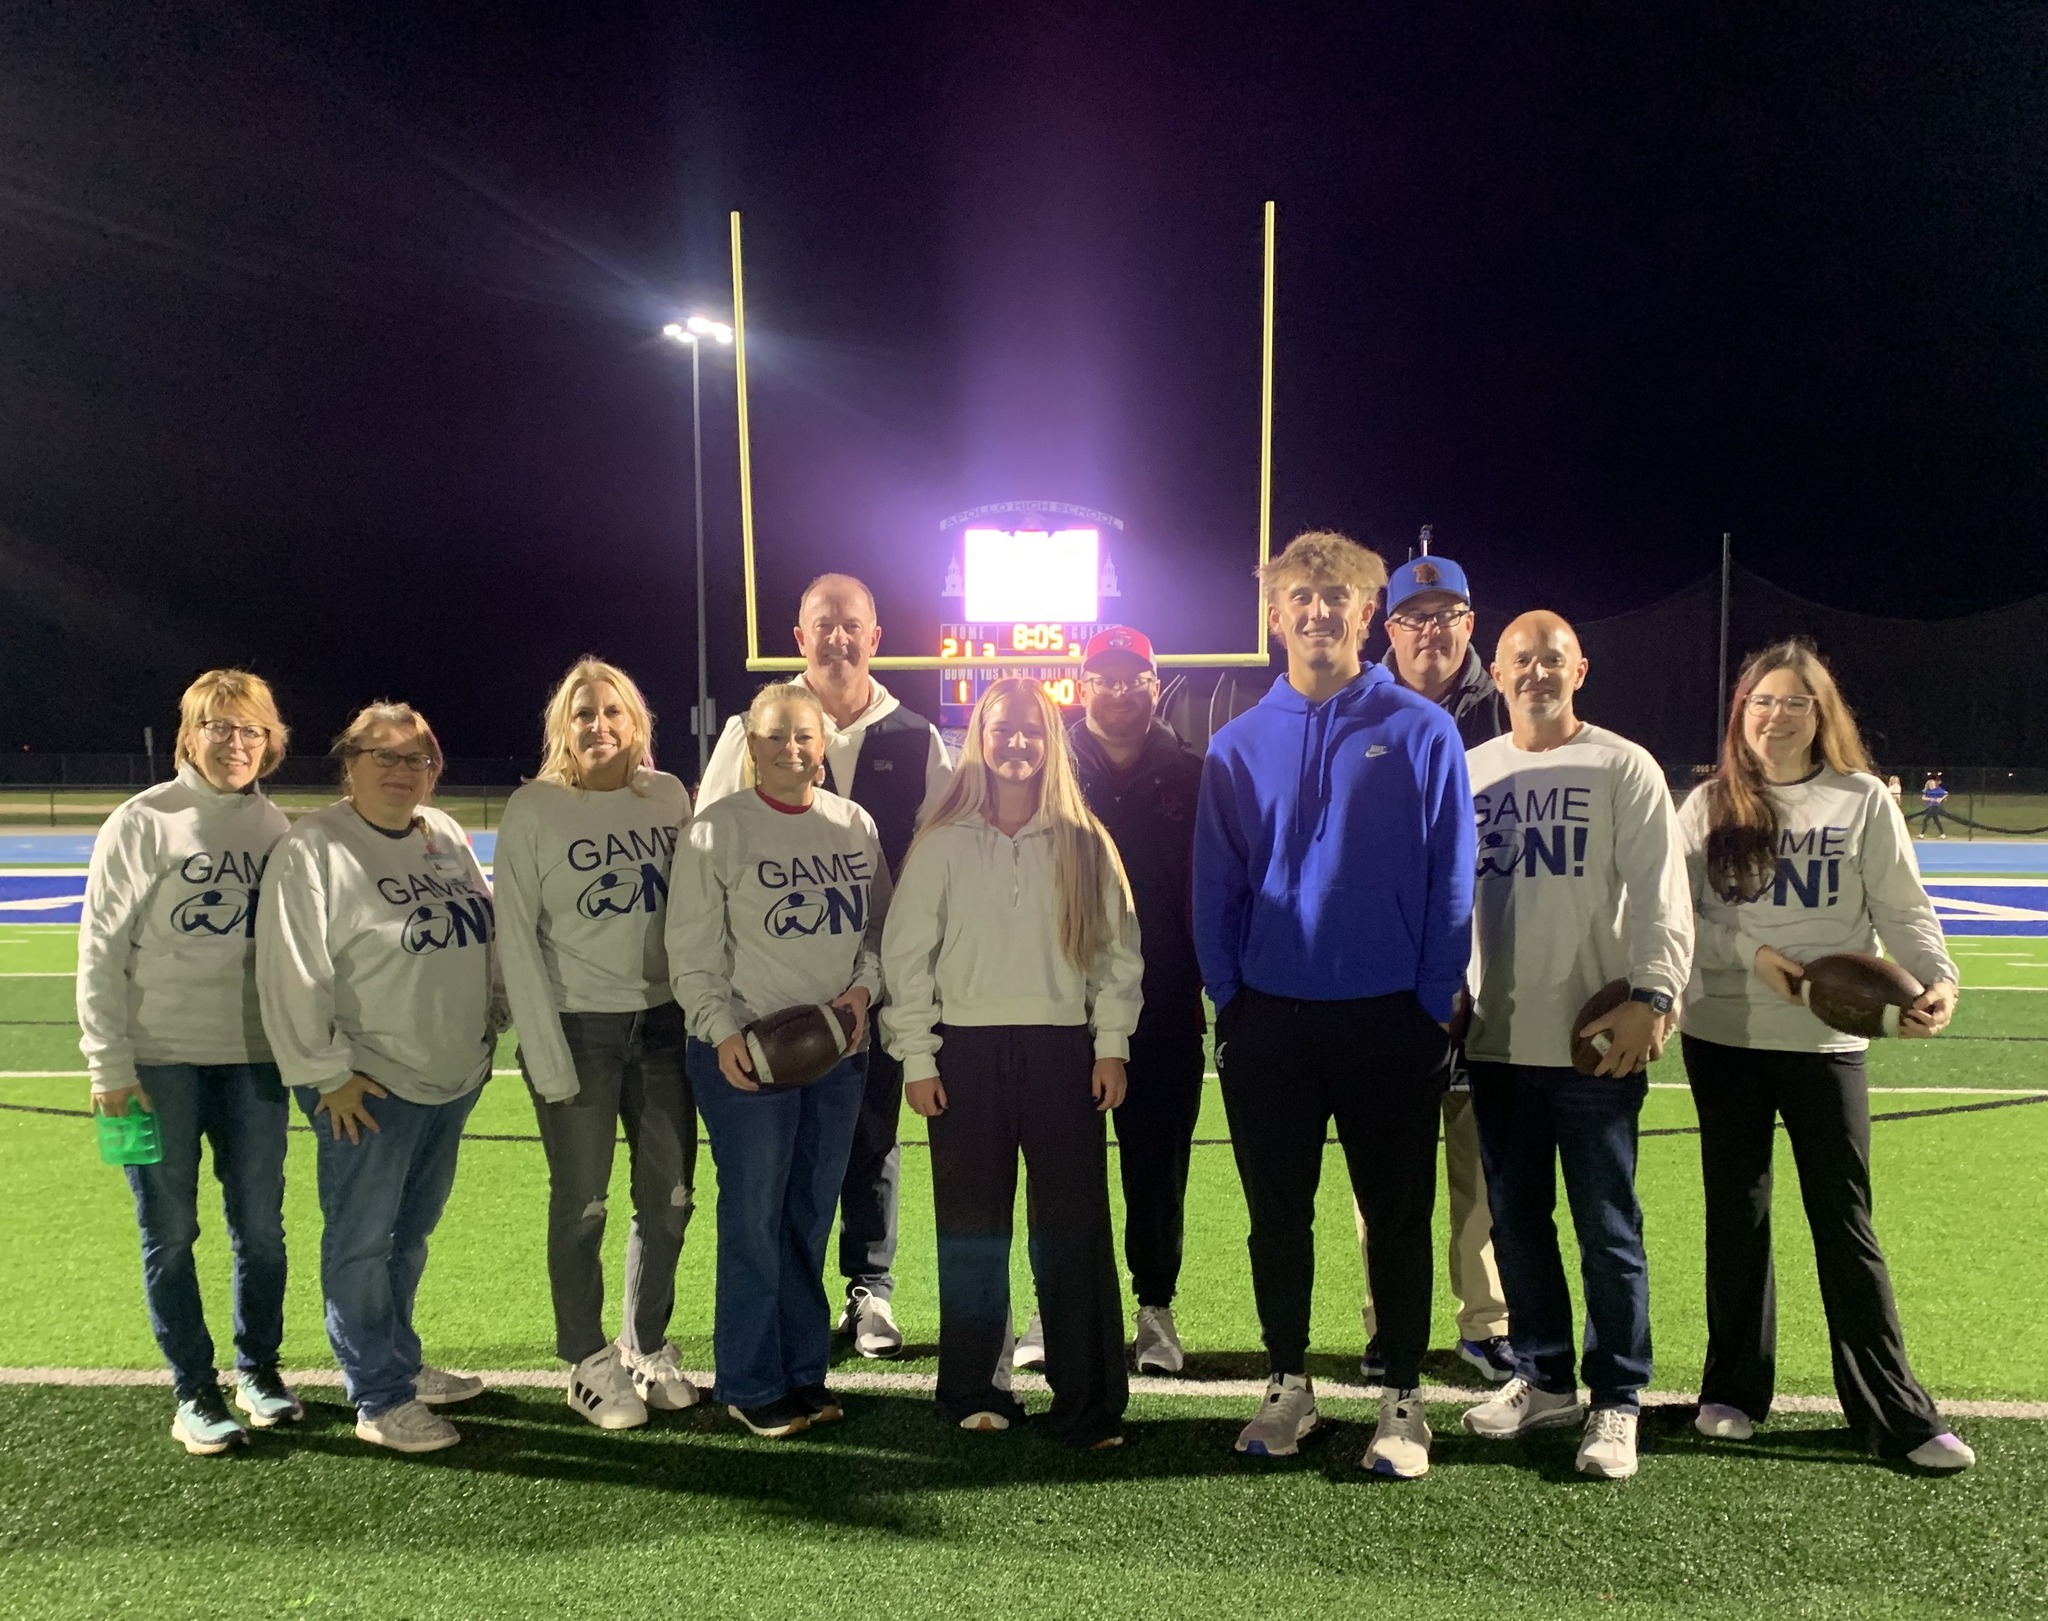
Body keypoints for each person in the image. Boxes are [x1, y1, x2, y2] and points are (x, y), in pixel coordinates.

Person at [1194, 530, 1474, 1478]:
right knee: (1278, 1213)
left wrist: (1433, 997)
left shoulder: (1422, 728)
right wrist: (1231, 997)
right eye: (1299, 598)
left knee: (1395, 1213)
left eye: (1337, 597)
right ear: (1275, 616)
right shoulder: (1234, 743)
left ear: (1367, 614)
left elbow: (1451, 879)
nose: (1318, 612)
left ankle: (1401, 1395)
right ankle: (1287, 1381)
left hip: (1389, 1014)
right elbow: (1215, 883)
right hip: (1271, 1015)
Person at [1679, 641, 1973, 1471]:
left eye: (1795, 702)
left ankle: (1894, 1410)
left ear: (1823, 714)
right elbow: (1684, 919)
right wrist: (1754, 957)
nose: (1776, 715)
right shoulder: (1706, 804)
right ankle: (1733, 1388)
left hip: (1825, 1042)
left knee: (1845, 1223)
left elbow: (1905, 909)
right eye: (1762, 701)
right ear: (1742, 712)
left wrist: (1938, 980)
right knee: (1736, 1215)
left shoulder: (1860, 802)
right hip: (1726, 1035)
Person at [1455, 613, 1693, 1481]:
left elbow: (1665, 895)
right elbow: (1449, 894)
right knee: (1517, 1223)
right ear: (1498, 670)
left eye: (1552, 658)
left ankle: (1618, 1394)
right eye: (1521, 660)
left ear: (1579, 668)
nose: (1537, 672)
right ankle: (1544, 1373)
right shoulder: (1472, 769)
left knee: (1607, 1226)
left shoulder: (1623, 765)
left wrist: (1655, 994)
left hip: (1592, 1040)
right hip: (1499, 1034)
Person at [882, 678, 1142, 1449]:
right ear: (979, 739)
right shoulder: (943, 840)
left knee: (1073, 1232)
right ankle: (974, 1386)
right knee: (972, 1229)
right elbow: (906, 957)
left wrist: (1110, 1045)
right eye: (1004, 729)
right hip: (963, 1054)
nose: (1019, 743)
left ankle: (1087, 1399)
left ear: (1051, 740)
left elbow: (1116, 956)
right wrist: (919, 1056)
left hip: (1063, 1053)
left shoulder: (1086, 840)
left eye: (1033, 730)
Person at [698, 573, 949, 1359]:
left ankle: (867, 1289)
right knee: (778, 1163)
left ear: (874, 637)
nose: (837, 637)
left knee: (874, 1136)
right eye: (822, 624)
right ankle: (778, 1301)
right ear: (798, 635)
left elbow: (941, 847)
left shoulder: (916, 735)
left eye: (852, 625)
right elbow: (707, 844)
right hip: (766, 986)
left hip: (874, 977)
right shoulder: (752, 729)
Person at [257, 702, 501, 1455]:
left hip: (450, 1073)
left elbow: (484, 933)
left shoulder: (447, 835)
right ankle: (377, 1393)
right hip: (370, 1081)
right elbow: (293, 970)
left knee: (411, 1233)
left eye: (417, 758)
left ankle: (398, 1355)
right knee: (363, 1239)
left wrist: (494, 1012)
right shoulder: (315, 847)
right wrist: (327, 1074)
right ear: (349, 763)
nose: (401, 771)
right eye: (383, 755)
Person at [76, 670, 301, 1455]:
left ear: (271, 740)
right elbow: (100, 950)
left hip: (254, 1061)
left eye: (251, 730)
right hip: (155, 1065)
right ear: (190, 734)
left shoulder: (280, 829)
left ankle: (259, 1369)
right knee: (168, 1232)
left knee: (262, 1232)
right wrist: (109, 1066)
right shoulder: (143, 822)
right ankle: (192, 1388)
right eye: (219, 727)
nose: (236, 743)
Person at [668, 682, 888, 1438]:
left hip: (835, 1051)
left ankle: (803, 1368)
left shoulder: (853, 824)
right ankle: (749, 1378)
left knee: (808, 1216)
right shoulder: (716, 829)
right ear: (752, 747)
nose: (791, 748)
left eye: (804, 736)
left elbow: (876, 935)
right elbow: (691, 952)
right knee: (755, 1217)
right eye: (775, 736)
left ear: (822, 745)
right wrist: (721, 1030)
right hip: (746, 1058)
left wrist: (861, 995)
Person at [495, 658, 698, 1431]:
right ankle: (584, 1358)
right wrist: (544, 1054)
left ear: (636, 721)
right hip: (580, 1028)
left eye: (613, 710)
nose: (599, 724)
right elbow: (513, 936)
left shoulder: (668, 795)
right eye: (583, 713)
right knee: (583, 1204)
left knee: (670, 1199)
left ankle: (644, 1343)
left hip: (663, 1024)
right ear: (562, 727)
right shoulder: (535, 807)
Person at [1363, 552, 1513, 1383]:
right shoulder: (1357, 706)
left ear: (1470, 620)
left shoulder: (1509, 711)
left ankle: (1486, 1319)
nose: (1431, 631)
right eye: (1414, 618)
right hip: (1386, 972)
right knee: (1385, 1167)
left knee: (1479, 1161)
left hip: (1490, 969)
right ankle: (1389, 1319)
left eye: (1445, 614)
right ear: (1390, 630)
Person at [1064, 626, 1206, 1375]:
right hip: (1060, 999)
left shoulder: (1193, 773)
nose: (1118, 691)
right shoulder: (1047, 766)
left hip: (1165, 1000)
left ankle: (1155, 1304)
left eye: (1133, 679)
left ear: (1156, 686)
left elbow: (1216, 890)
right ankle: (1060, 1302)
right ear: (1081, 684)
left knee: (1157, 1166)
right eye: (1104, 677)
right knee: (1064, 1164)